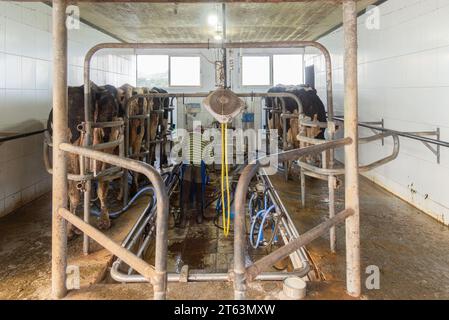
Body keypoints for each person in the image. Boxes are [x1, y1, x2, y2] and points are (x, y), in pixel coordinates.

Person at [176, 123, 209, 228]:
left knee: (189, 192)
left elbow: (180, 153)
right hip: (194, 167)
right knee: (194, 191)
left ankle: (186, 218)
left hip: (192, 167)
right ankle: (194, 217)